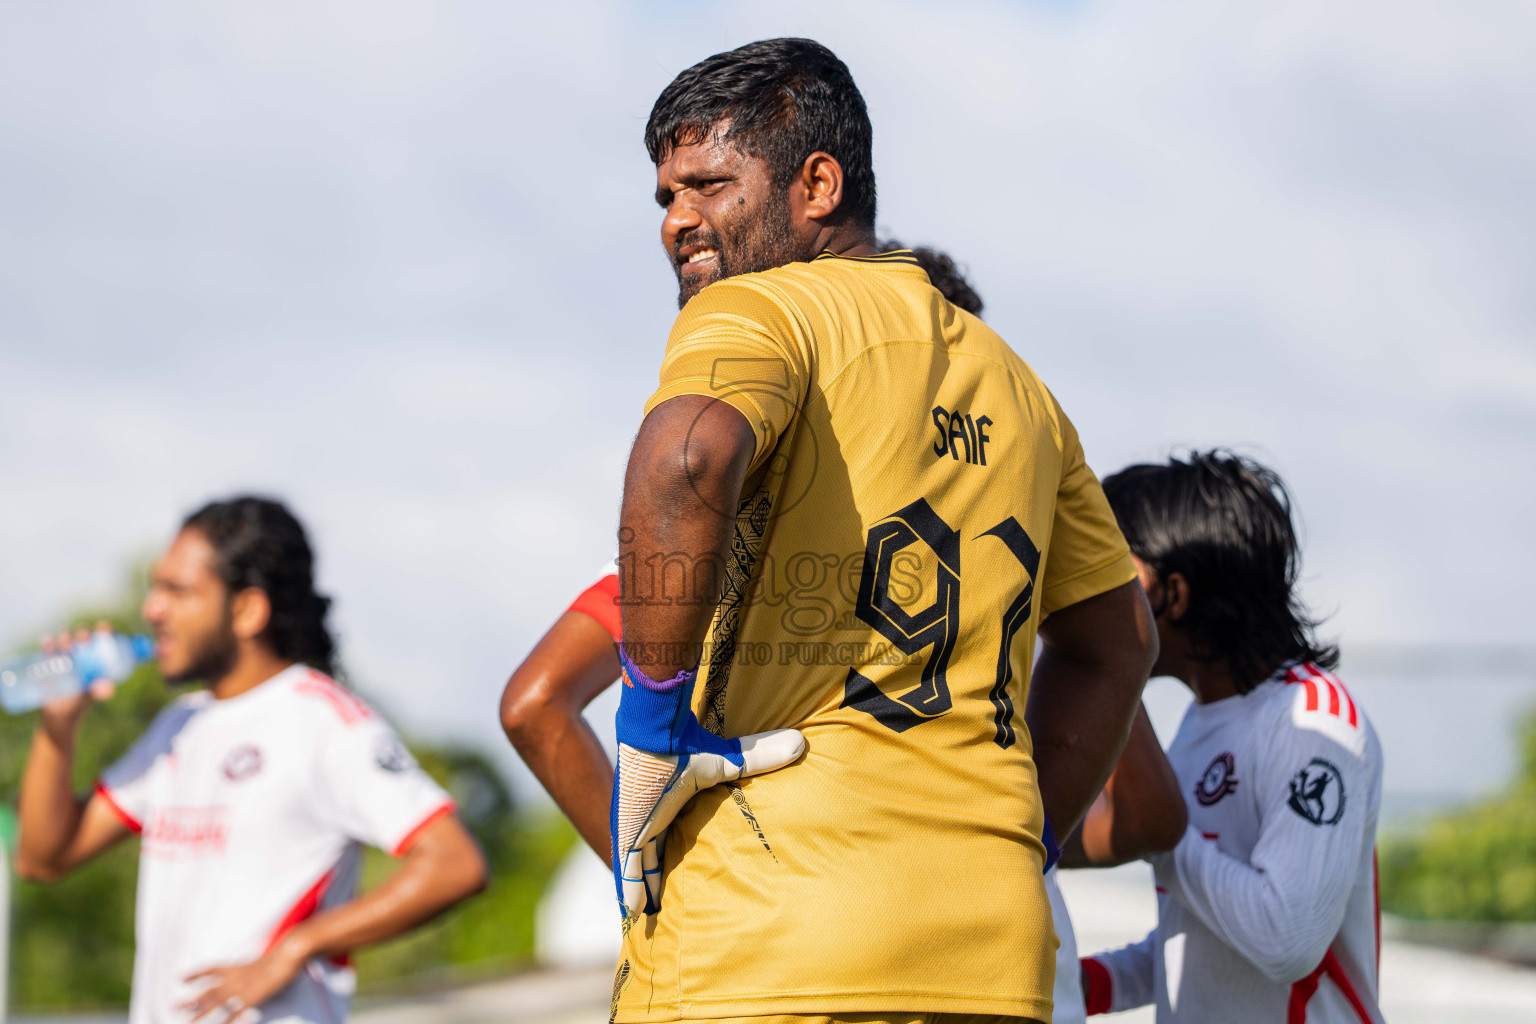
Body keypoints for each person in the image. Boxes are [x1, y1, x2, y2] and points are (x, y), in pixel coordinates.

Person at [601, 37, 1159, 1024]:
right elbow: (1120, 645)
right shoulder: (1021, 386)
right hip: (992, 953)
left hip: (763, 938)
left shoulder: (760, 310)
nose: (678, 219)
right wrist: (1027, 837)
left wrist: (650, 724)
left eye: (707, 184)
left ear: (817, 184)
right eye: (664, 197)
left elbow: (684, 458)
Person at [503, 247, 1185, 1024]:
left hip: (777, 930)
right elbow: (1146, 777)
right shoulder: (1020, 459)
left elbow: (536, 698)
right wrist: (1015, 843)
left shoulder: (736, 524)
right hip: (997, 945)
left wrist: (654, 863)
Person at [16, 497, 487, 1024]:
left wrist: (293, 949)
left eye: (178, 590)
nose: (153, 609)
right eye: (157, 588)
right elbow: (42, 858)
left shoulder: (325, 722)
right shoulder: (178, 725)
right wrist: (59, 727)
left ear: (248, 610)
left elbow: (454, 863)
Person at [1080, 452, 1384, 1023]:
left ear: (1176, 593)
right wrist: (1080, 982)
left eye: (1109, 573)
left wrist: (1159, 828)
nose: (1088, 597)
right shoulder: (1201, 721)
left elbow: (1284, 939)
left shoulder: (1314, 722)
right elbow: (1200, 946)